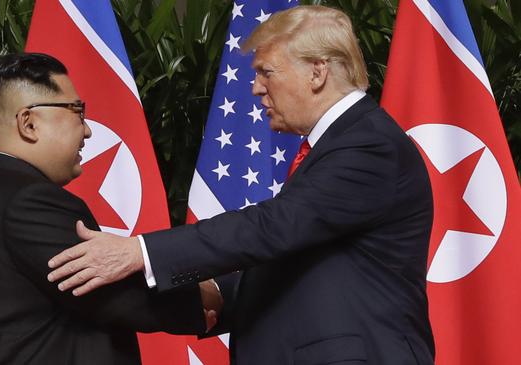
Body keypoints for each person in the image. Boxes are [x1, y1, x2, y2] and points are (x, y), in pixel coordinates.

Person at [47, 5, 435, 365]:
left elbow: (273, 226)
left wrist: (140, 252)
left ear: (318, 72)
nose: (255, 88)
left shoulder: (369, 144)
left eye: (267, 71)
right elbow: (301, 258)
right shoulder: (338, 145)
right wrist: (216, 295)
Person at [0, 53, 219, 365]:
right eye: (77, 111)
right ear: (28, 123)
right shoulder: (27, 198)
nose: (87, 131)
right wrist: (210, 298)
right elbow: (111, 294)